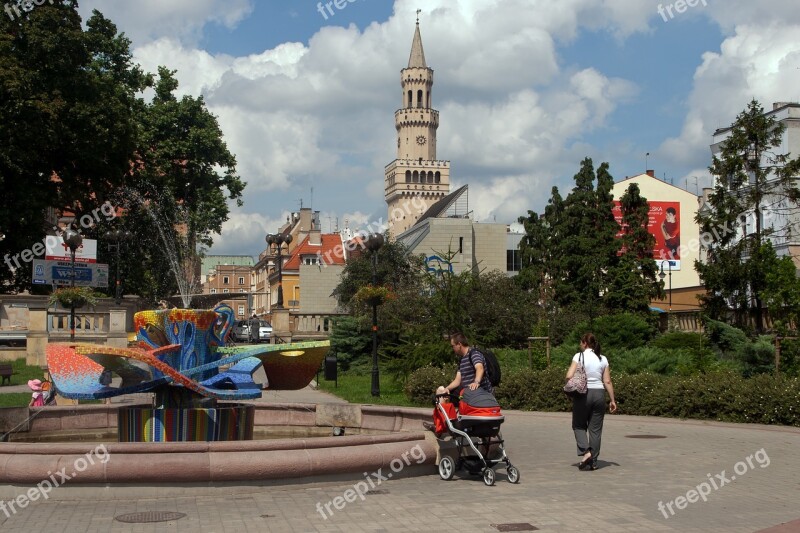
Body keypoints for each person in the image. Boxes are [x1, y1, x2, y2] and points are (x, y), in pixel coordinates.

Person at [565, 333, 617, 470]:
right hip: (599, 394)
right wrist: (612, 400)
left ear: (585, 343)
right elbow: (607, 381)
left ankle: (586, 452)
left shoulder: (579, 356)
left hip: (583, 394)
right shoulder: (603, 358)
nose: (580, 345)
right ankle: (593, 462)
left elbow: (569, 375)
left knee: (578, 426)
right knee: (595, 431)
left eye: (581, 342)